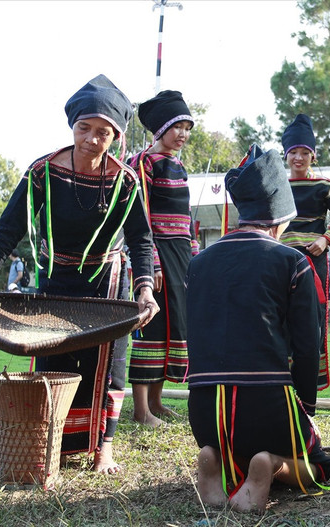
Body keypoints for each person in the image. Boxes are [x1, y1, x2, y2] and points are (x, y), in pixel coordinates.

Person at [0, 74, 158, 474]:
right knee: (52, 364)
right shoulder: (43, 173)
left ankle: (103, 448)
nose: (92, 140)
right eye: (85, 128)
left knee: (107, 367)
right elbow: (5, 232)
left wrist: (145, 290)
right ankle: (53, 440)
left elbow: (142, 241)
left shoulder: (126, 182)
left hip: (108, 283)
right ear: (72, 126)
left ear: (115, 136)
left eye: (103, 132)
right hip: (55, 281)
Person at [186, 145, 330, 512]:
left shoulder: (199, 263)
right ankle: (271, 465)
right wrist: (307, 403)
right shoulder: (292, 261)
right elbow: (306, 344)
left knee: (228, 443)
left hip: (205, 412)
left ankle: (214, 459)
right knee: (320, 467)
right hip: (267, 407)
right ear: (281, 217)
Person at [127, 90, 197, 427]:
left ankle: (156, 402)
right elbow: (140, 216)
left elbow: (186, 217)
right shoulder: (142, 163)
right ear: (160, 129)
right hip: (155, 254)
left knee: (175, 325)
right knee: (150, 325)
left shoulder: (179, 165)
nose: (183, 134)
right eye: (177, 127)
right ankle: (141, 410)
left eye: (187, 127)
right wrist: (150, 262)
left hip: (181, 256)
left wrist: (195, 255)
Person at [280, 113, 330, 390]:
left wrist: (326, 240)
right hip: (280, 262)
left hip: (314, 260)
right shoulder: (277, 186)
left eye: (305, 152)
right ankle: (281, 385)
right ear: (285, 155)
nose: (299, 158)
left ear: (313, 156)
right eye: (293, 152)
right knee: (280, 317)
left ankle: (307, 385)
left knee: (311, 319)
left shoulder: (325, 186)